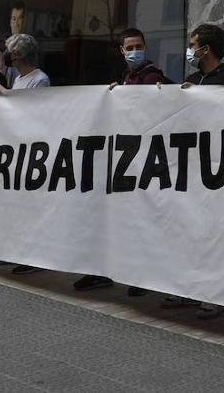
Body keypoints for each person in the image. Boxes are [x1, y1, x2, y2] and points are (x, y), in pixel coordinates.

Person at [77, 28, 170, 294]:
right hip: (125, 158)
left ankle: (145, 276)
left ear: (146, 47)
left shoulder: (151, 76)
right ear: (121, 51)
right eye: (129, 48)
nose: (133, 51)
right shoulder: (126, 77)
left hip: (141, 160)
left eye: (137, 46)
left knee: (142, 221)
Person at [161, 23, 224, 318]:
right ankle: (186, 289)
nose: (190, 49)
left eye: (193, 44)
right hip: (191, 166)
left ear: (205, 49)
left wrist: (199, 95)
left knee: (212, 231)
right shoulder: (193, 78)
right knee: (188, 228)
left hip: (217, 167)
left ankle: (214, 293)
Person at [0, 33, 49, 274]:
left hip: (30, 150)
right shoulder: (19, 78)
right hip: (16, 148)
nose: (7, 55)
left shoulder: (39, 80)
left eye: (10, 51)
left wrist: (7, 97)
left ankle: (32, 256)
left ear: (17, 55)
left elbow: (33, 111)